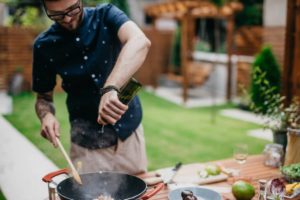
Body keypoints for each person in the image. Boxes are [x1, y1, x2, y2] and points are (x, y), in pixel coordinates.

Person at [32, 0, 151, 175]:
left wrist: (111, 87)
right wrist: (46, 115)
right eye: (57, 15)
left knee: (139, 192)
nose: (67, 19)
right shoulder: (44, 45)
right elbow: (43, 98)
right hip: (87, 145)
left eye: (72, 9)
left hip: (129, 134)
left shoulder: (106, 14)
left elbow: (140, 41)